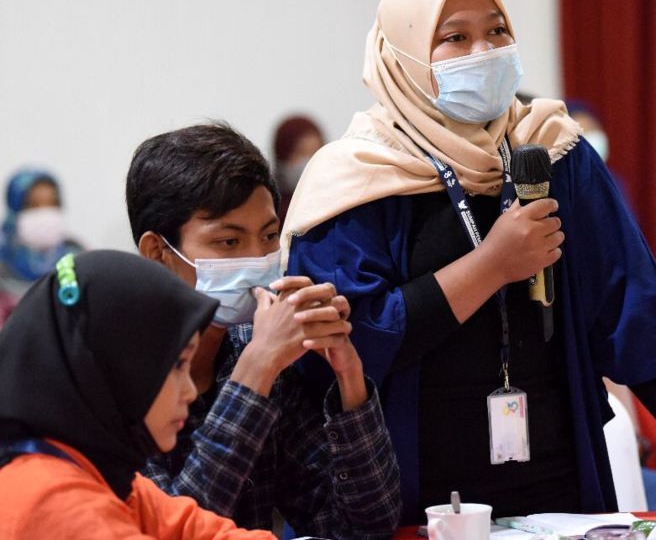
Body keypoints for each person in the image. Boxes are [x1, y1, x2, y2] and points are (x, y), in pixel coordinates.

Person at [283, 0, 656, 522]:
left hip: (555, 476)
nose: (485, 50)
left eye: (497, 31)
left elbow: (625, 303)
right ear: (401, 57)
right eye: (455, 38)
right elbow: (347, 343)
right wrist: (492, 265)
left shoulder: (551, 148)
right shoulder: (355, 178)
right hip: (406, 485)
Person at [126, 123, 400, 537]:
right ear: (157, 253)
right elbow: (173, 532)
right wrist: (256, 370)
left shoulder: (250, 350)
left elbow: (362, 527)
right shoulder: (115, 376)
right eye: (229, 243)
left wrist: (349, 378)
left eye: (269, 236)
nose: (258, 260)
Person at [0, 249, 275, 539]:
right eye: (178, 365)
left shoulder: (101, 473)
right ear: (115, 367)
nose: (190, 392)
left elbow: (195, 530)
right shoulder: (54, 501)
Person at [0, 168, 83, 325]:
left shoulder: (77, 258)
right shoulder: (2, 266)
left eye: (53, 204)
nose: (45, 214)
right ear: (14, 210)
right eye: (33, 205)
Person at [273, 114, 326, 225]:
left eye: (316, 152)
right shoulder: (269, 210)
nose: (309, 161)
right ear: (282, 155)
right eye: (301, 153)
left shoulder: (335, 205)